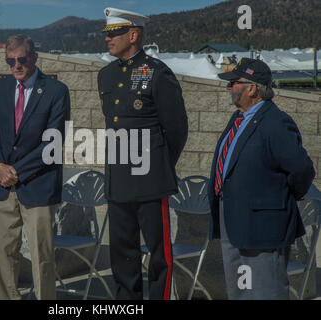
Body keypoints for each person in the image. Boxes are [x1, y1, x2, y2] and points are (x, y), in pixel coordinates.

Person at [98, 8, 188, 299]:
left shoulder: (157, 72)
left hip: (150, 182)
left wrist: (157, 164)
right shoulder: (106, 75)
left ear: (133, 35)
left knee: (159, 255)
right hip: (118, 181)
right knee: (123, 256)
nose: (108, 39)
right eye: (107, 33)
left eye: (114, 33)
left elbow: (176, 129)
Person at [207, 58, 315, 299]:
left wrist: (280, 198)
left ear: (252, 88)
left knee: (265, 291)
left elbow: (302, 169)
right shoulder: (238, 119)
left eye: (234, 83)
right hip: (232, 219)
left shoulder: (275, 122)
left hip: (262, 226)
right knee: (240, 290)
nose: (228, 87)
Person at [0, 34, 70, 300]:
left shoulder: (56, 91)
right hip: (3, 186)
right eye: (10, 61)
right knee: (2, 252)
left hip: (37, 185)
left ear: (34, 57)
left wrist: (15, 171)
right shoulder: (1, 89)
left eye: (21, 59)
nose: (16, 66)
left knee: (41, 255)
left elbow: (53, 143)